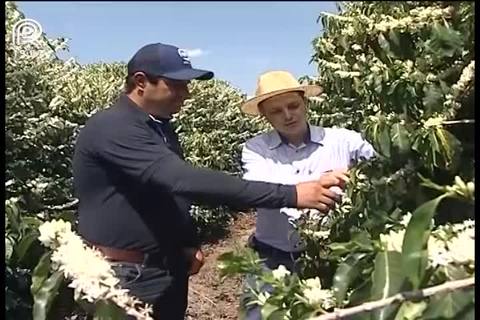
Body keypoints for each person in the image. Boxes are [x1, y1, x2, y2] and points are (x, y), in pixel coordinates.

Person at [72, 44, 348, 319]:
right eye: (177, 85)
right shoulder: (113, 127)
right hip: (125, 275)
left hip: (164, 268)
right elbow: (180, 179)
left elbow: (164, 194)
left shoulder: (158, 126)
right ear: (141, 82)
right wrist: (293, 195)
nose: (187, 93)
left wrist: (186, 241)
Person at [239, 70, 376, 319]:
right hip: (273, 258)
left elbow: (382, 166)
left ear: (305, 103)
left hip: (334, 257)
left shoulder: (343, 140)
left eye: (293, 105)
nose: (288, 115)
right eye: (276, 111)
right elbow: (257, 188)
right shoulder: (255, 149)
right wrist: (315, 184)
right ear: (265, 117)